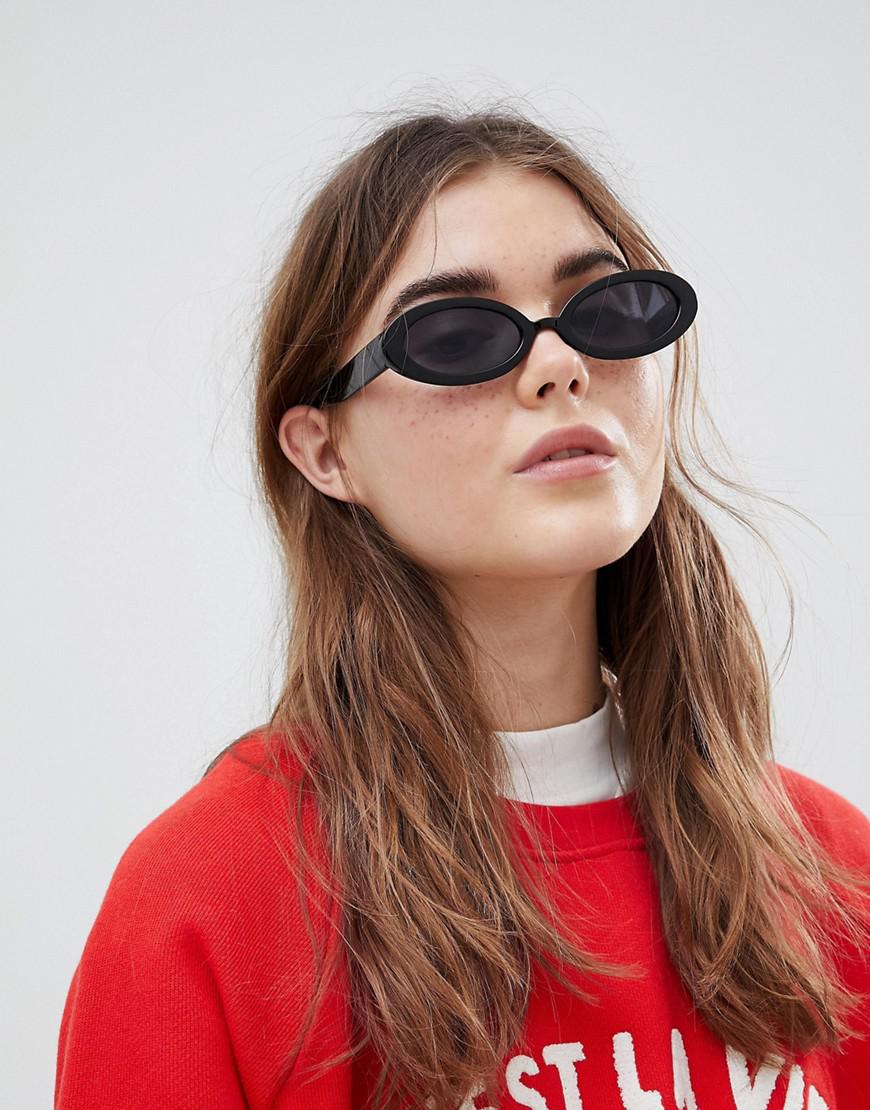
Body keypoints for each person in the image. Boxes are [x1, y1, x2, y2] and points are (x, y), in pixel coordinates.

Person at [55, 103, 870, 1110]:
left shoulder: (830, 871)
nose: (560, 366)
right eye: (455, 335)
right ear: (325, 451)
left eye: (607, 309)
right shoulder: (209, 897)